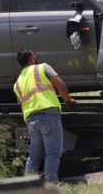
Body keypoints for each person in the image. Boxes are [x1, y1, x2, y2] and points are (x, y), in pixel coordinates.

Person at [13, 49, 75, 182]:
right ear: (30, 58)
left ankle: (28, 185)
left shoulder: (17, 83)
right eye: (34, 55)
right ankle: (51, 185)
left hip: (31, 120)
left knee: (34, 155)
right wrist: (67, 99)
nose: (36, 56)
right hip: (48, 115)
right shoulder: (43, 68)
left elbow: (22, 104)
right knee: (52, 154)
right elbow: (60, 84)